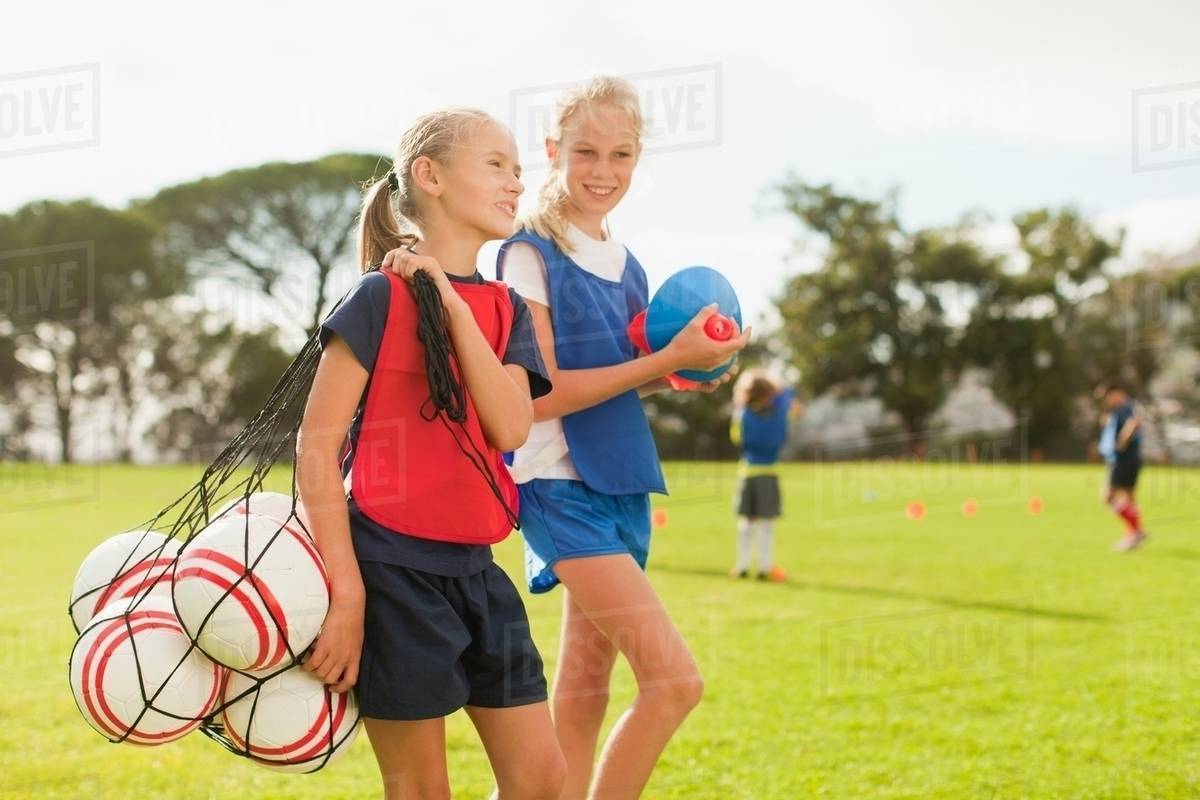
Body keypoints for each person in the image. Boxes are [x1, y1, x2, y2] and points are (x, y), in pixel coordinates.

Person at [491, 74, 751, 800]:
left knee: (584, 691)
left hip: (622, 484)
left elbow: (622, 379)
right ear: (553, 150)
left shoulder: (628, 265)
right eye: (585, 152)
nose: (603, 172)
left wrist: (689, 370)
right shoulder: (526, 255)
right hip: (557, 489)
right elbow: (537, 401)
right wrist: (668, 360)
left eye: (621, 155)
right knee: (674, 683)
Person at [296, 108, 566, 800]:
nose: (516, 181)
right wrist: (348, 594)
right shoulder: (375, 299)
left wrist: (448, 301)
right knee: (421, 789)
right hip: (391, 573)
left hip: (480, 575)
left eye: (517, 168)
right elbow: (315, 448)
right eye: (496, 164)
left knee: (541, 778)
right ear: (430, 176)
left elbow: (510, 427)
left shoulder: (506, 308)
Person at [728, 370, 801, 581]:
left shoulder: (742, 415)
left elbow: (736, 438)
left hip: (748, 473)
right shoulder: (780, 414)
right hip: (769, 474)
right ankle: (764, 567)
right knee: (766, 524)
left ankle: (741, 566)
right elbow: (787, 393)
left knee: (746, 523)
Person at [1097, 381, 1147, 552]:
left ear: (1116, 393)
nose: (1106, 401)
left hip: (1123, 459)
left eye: (1106, 397)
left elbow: (1133, 423)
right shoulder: (1125, 407)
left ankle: (1137, 531)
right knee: (1129, 500)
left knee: (1108, 497)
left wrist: (1122, 440)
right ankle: (1132, 535)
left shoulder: (1124, 408)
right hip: (1131, 458)